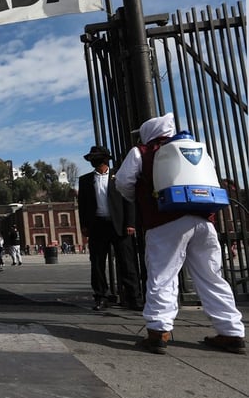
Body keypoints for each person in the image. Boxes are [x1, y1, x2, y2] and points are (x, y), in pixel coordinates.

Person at [115, 113, 245, 354]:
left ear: (148, 133)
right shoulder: (195, 148)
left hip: (165, 221)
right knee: (211, 276)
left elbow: (123, 182)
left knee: (162, 275)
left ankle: (158, 330)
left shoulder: (141, 151)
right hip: (203, 220)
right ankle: (231, 331)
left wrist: (141, 200)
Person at [77, 145, 141, 311]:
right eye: (91, 158)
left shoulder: (119, 176)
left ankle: (133, 297)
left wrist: (130, 223)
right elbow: (82, 205)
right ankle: (101, 297)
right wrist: (84, 225)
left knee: (126, 262)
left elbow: (129, 199)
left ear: (105, 159)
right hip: (97, 225)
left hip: (119, 225)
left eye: (96, 158)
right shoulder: (84, 180)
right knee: (97, 263)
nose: (93, 161)